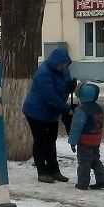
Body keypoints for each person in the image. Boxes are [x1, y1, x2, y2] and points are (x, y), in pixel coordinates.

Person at [22, 47, 75, 183]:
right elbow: (50, 96)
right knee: (40, 142)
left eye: (65, 64)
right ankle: (42, 172)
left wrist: (70, 87)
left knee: (51, 142)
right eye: (61, 65)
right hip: (36, 113)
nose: (64, 67)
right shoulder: (43, 73)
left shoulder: (64, 70)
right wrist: (66, 109)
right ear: (55, 62)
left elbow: (62, 88)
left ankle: (54, 171)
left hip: (52, 113)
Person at [68, 82, 104, 191]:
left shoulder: (81, 110)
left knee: (84, 162)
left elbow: (76, 128)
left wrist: (73, 141)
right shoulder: (98, 108)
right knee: (95, 160)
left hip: (85, 141)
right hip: (96, 140)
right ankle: (103, 180)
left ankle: (82, 183)